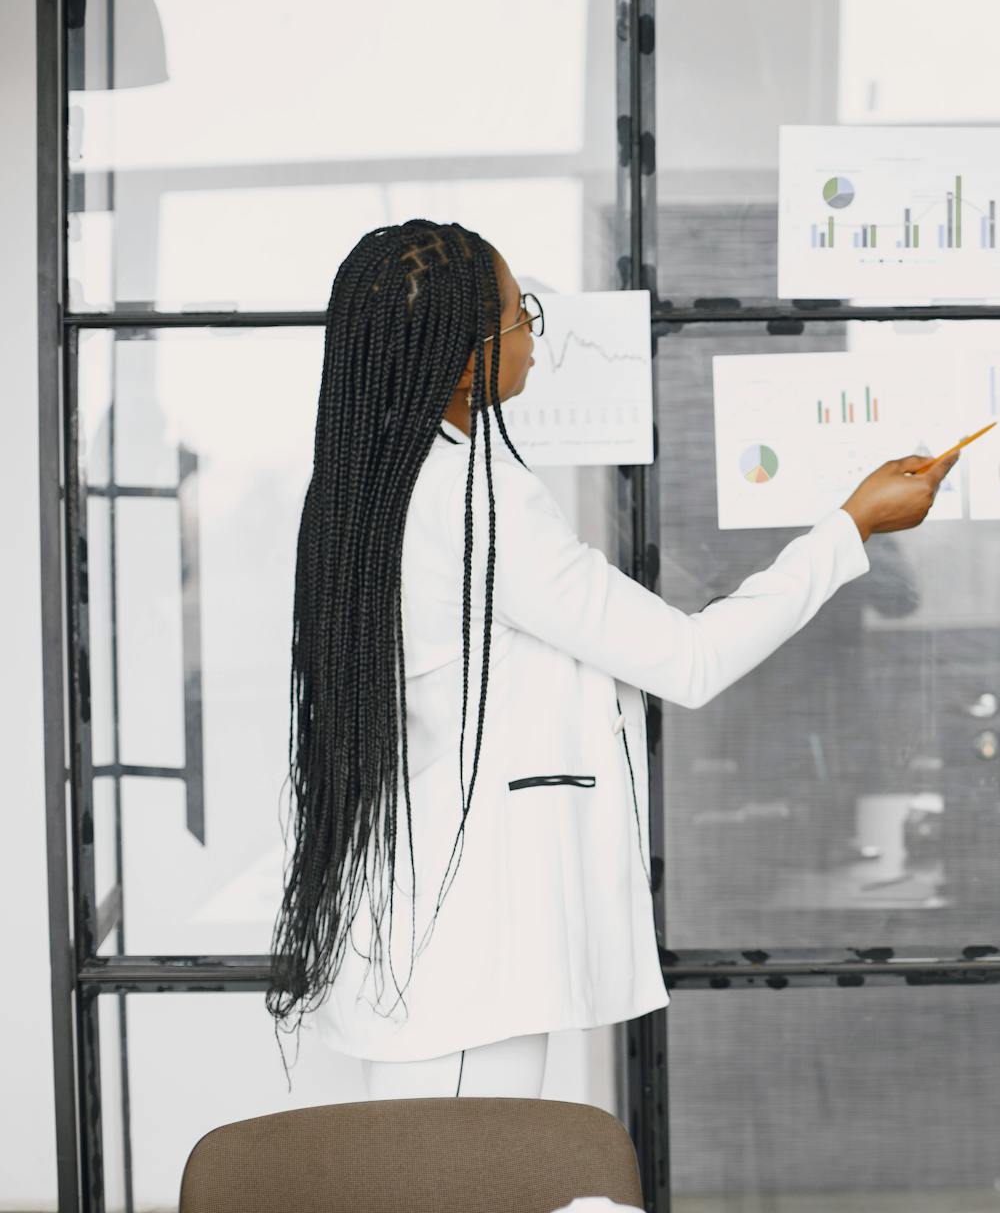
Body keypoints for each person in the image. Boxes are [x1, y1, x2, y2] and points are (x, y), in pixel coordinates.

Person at [269, 220, 954, 1097]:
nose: (531, 337)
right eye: (523, 317)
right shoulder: (482, 499)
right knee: (473, 1180)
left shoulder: (362, 488)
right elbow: (691, 659)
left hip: (416, 922)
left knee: (433, 1174)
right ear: (469, 356)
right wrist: (851, 525)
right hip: (473, 944)